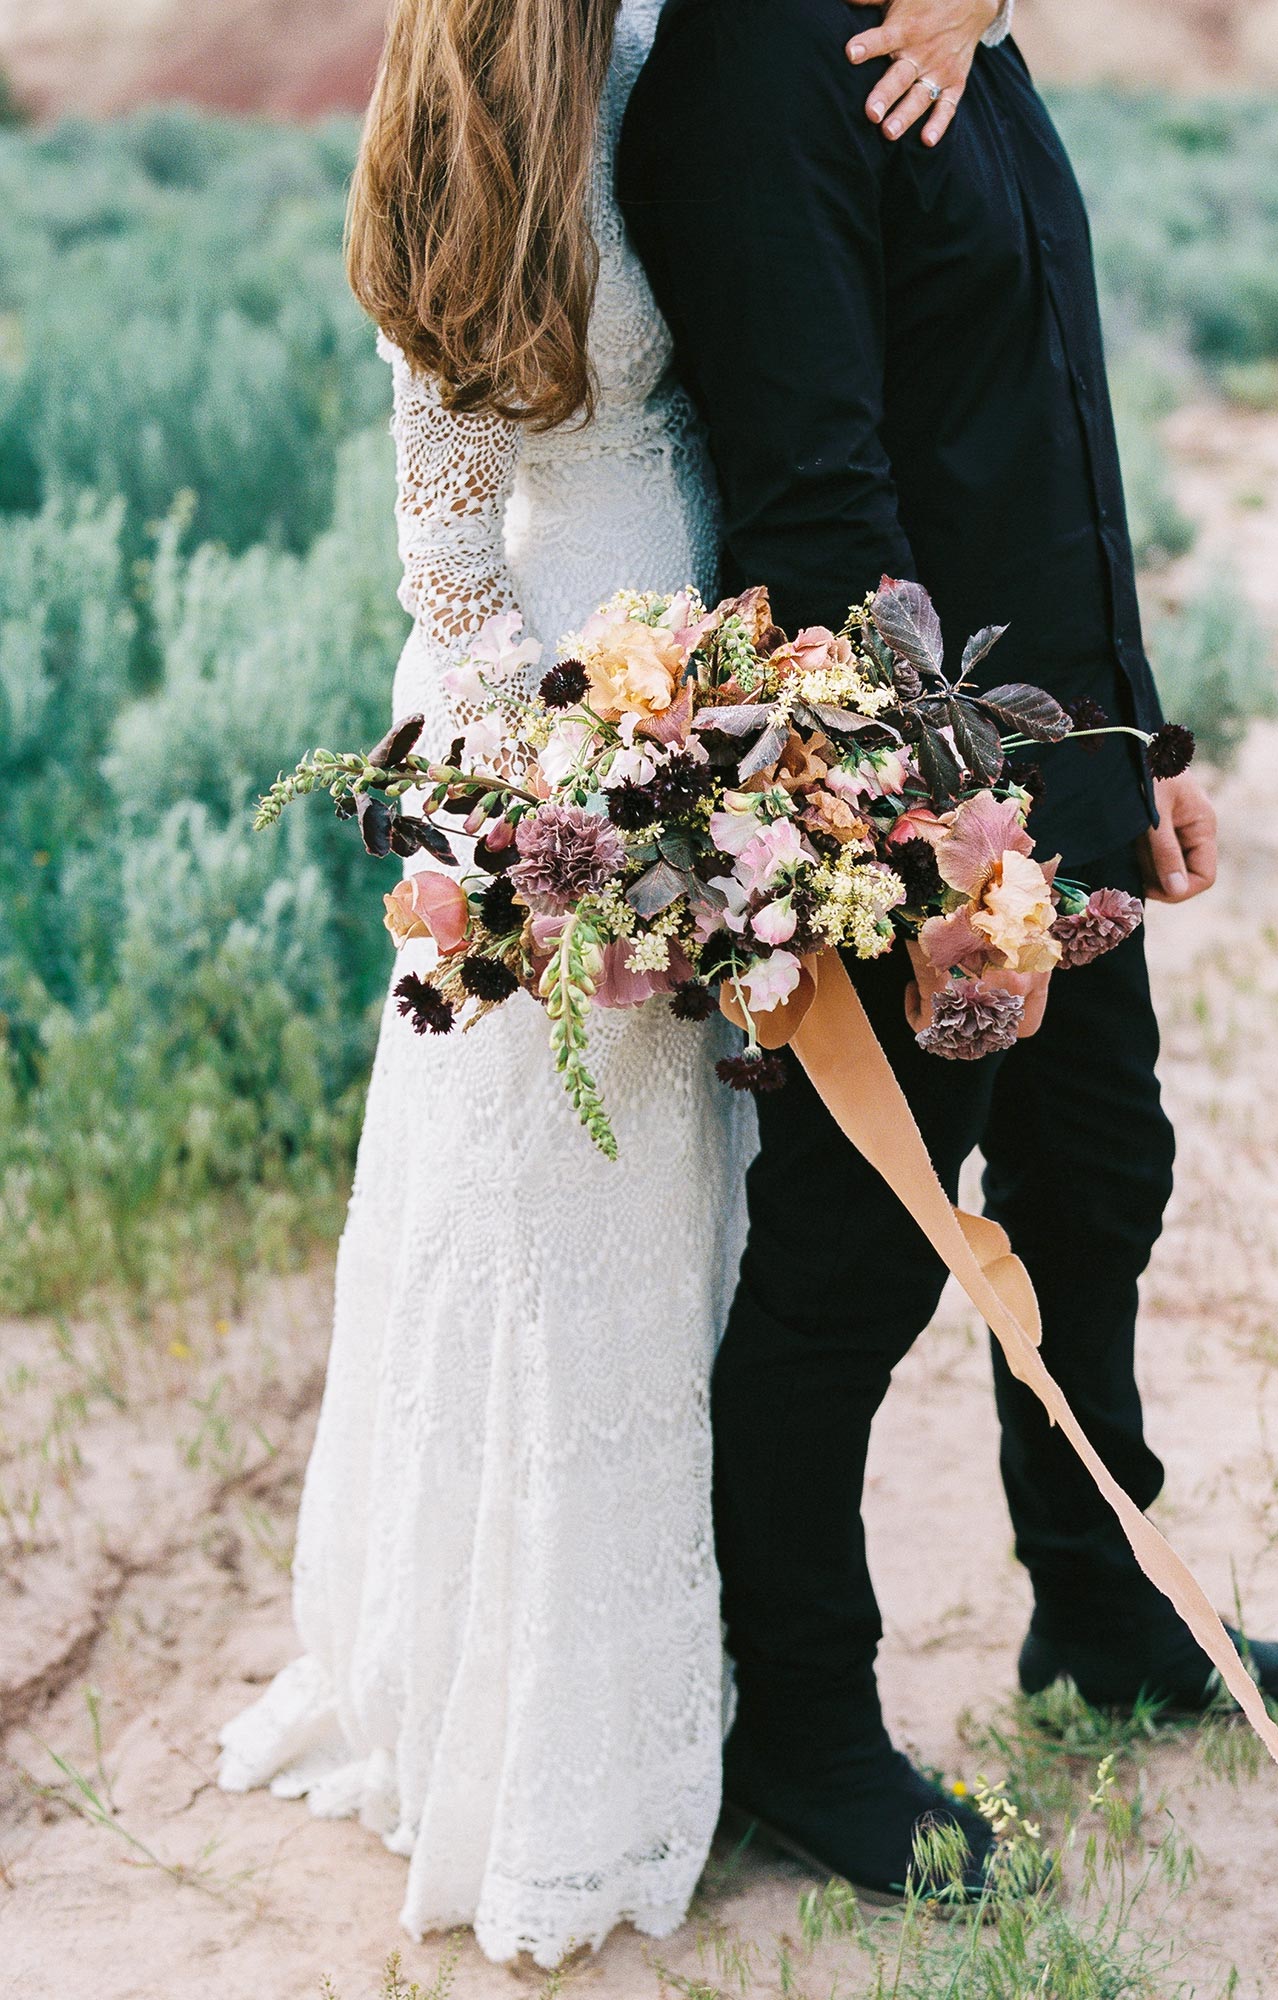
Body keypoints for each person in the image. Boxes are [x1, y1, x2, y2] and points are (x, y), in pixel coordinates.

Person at [215, 0, 1006, 1967]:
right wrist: (581, 799)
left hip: (723, 673)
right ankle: (553, 1752)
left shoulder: (685, 40)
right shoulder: (473, 100)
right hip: (573, 736)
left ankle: (720, 1690)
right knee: (561, 1243)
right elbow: (453, 571)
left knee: (694, 1239)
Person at [618, 0, 1278, 1903]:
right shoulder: (751, 78)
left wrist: (1141, 743)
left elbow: (1047, 436)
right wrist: (951, 839)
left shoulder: (967, 37)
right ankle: (803, 1738)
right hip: (914, 812)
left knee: (1105, 1175)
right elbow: (818, 507)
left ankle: (1103, 1621)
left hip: (1064, 767)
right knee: (849, 1271)